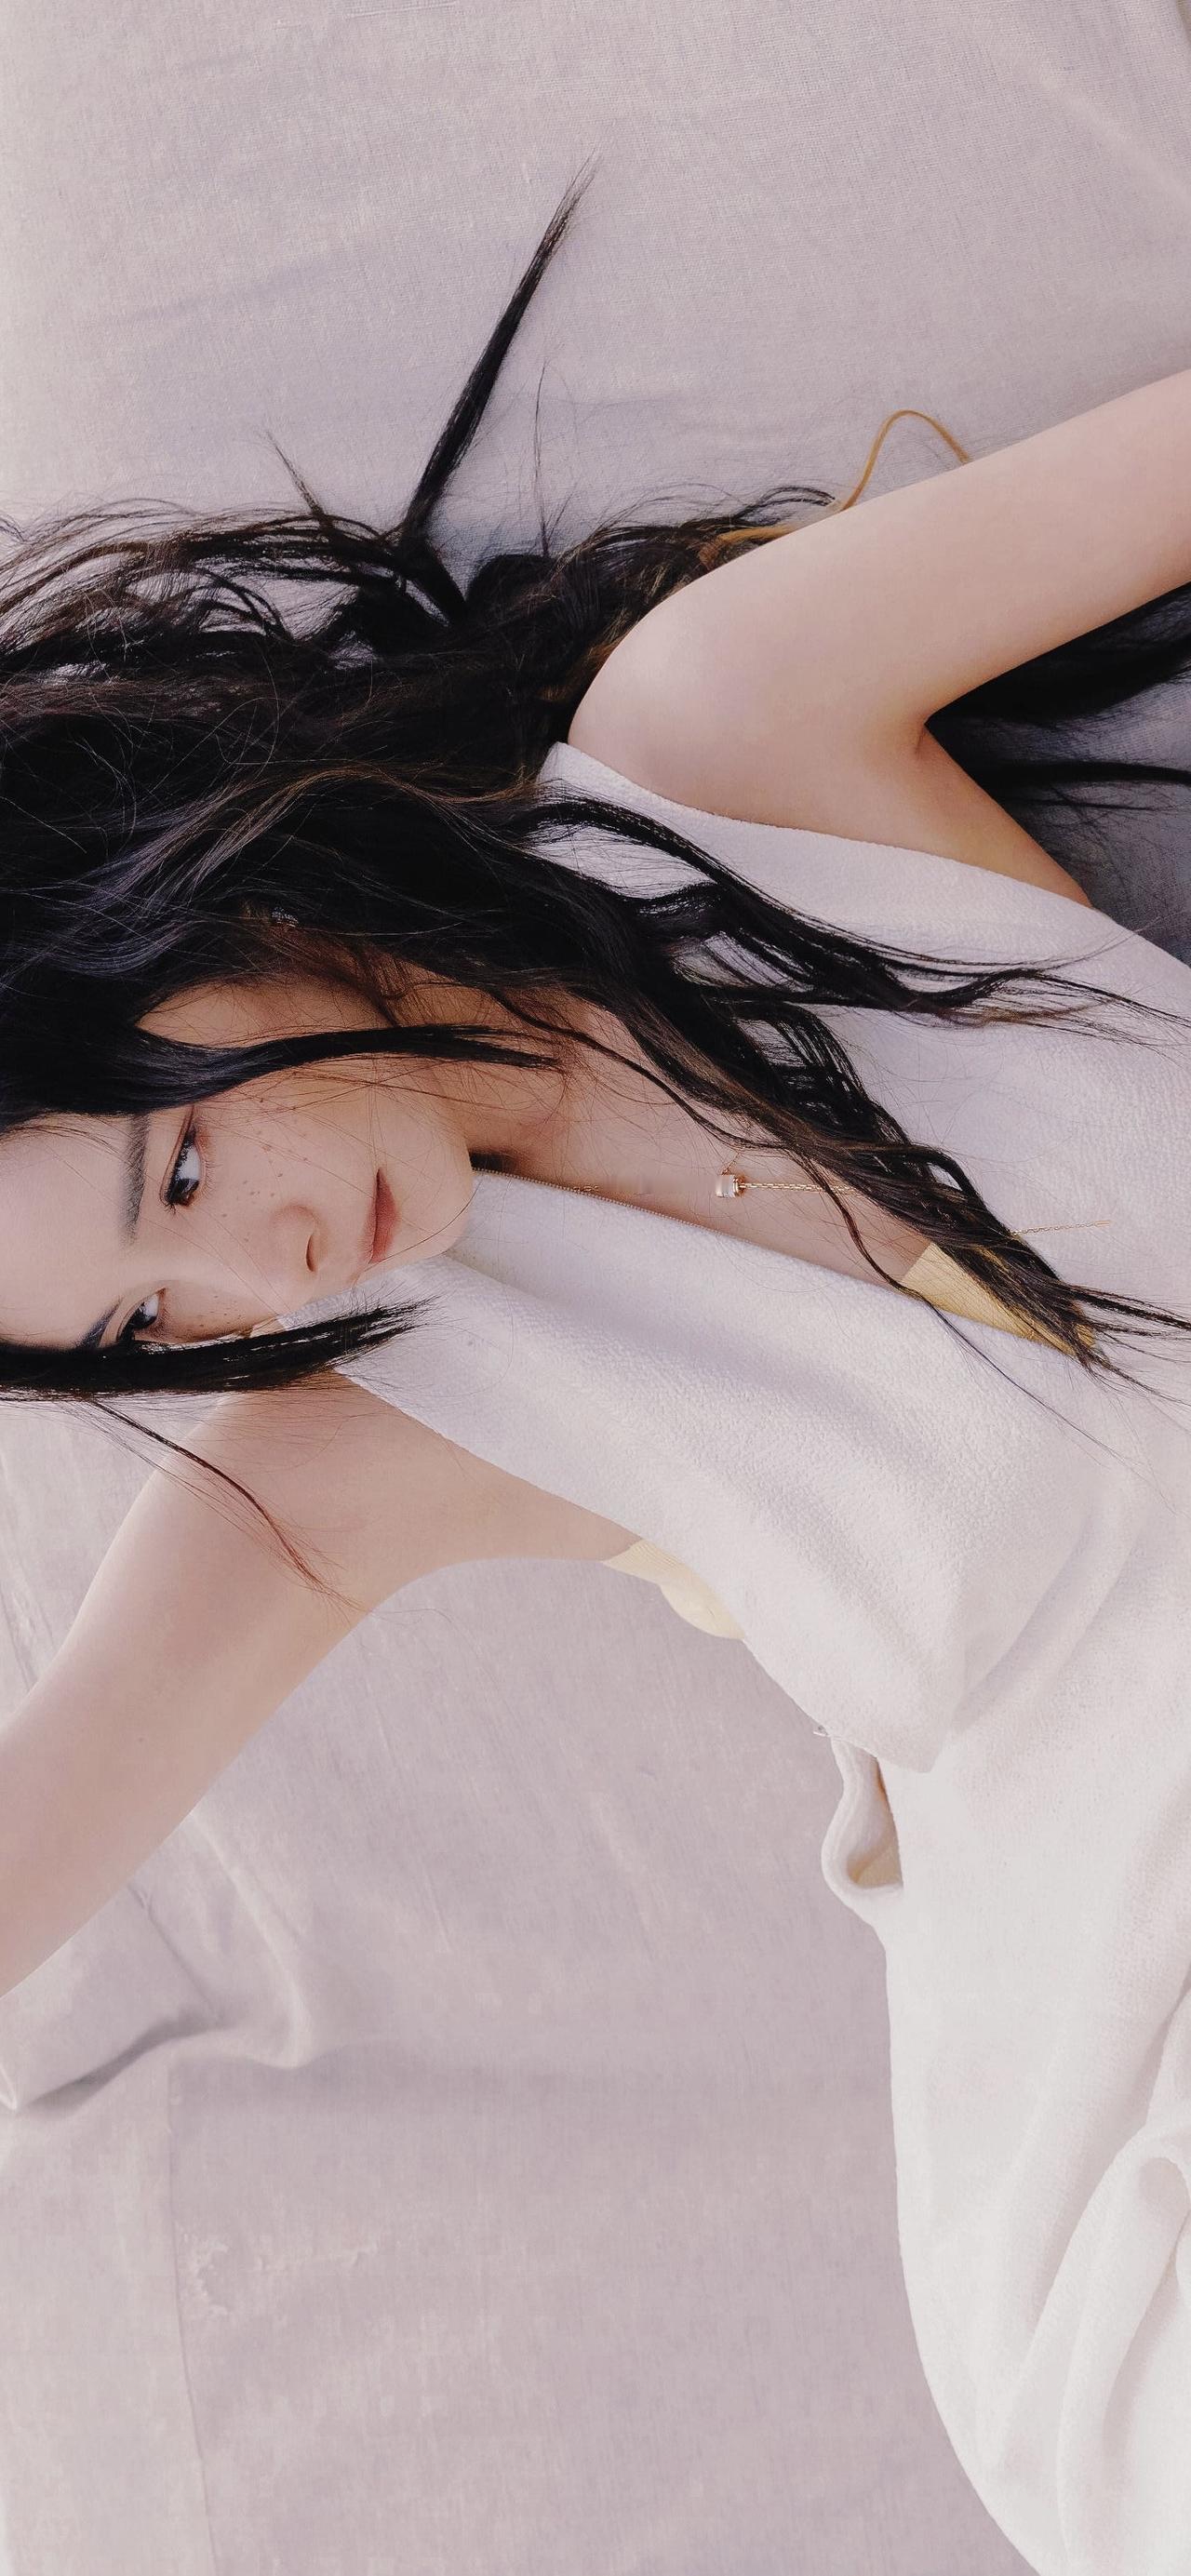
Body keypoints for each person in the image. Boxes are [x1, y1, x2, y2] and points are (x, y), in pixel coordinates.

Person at [3, 162, 1191, 2569]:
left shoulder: (727, 741)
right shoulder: (352, 1444)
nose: (250, 1278)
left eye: (182, 1169)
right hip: (1134, 2103)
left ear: (205, 895)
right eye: (150, 1321)